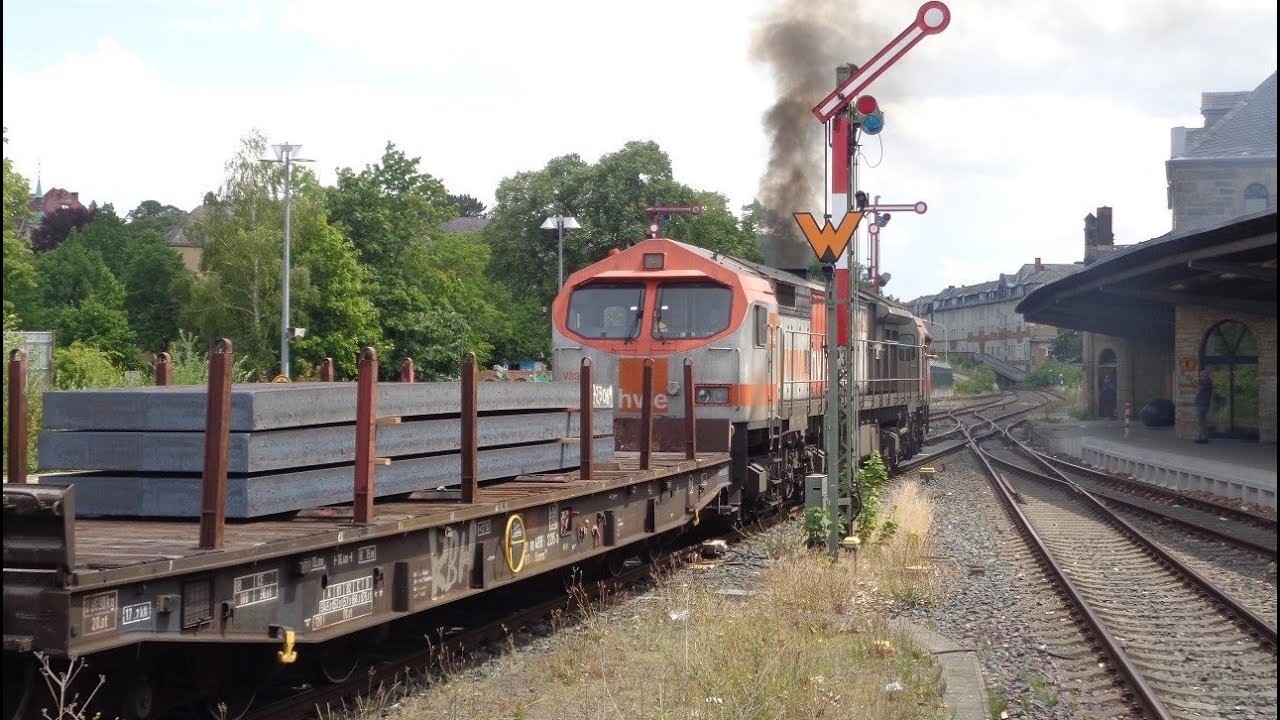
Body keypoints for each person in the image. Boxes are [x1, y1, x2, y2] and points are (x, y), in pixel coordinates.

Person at [1194, 370, 1213, 444]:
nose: (1201, 376)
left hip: (1202, 404)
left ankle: (1204, 438)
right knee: (1201, 422)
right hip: (1202, 404)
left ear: (1205, 375)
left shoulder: (1207, 382)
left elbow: (1199, 386)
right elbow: (1198, 385)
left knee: (1201, 423)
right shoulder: (1206, 382)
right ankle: (1201, 437)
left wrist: (1195, 381)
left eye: (1202, 375)